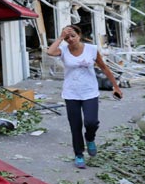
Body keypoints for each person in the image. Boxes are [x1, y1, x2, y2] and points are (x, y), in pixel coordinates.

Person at [47, 25, 123, 169]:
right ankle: (79, 154)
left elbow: (104, 67)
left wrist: (116, 86)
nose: (70, 39)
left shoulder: (92, 49)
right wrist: (61, 37)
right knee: (75, 126)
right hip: (71, 93)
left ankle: (90, 138)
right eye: (67, 37)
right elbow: (50, 52)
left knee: (91, 122)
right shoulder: (63, 50)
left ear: (79, 35)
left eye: (73, 36)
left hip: (89, 92)